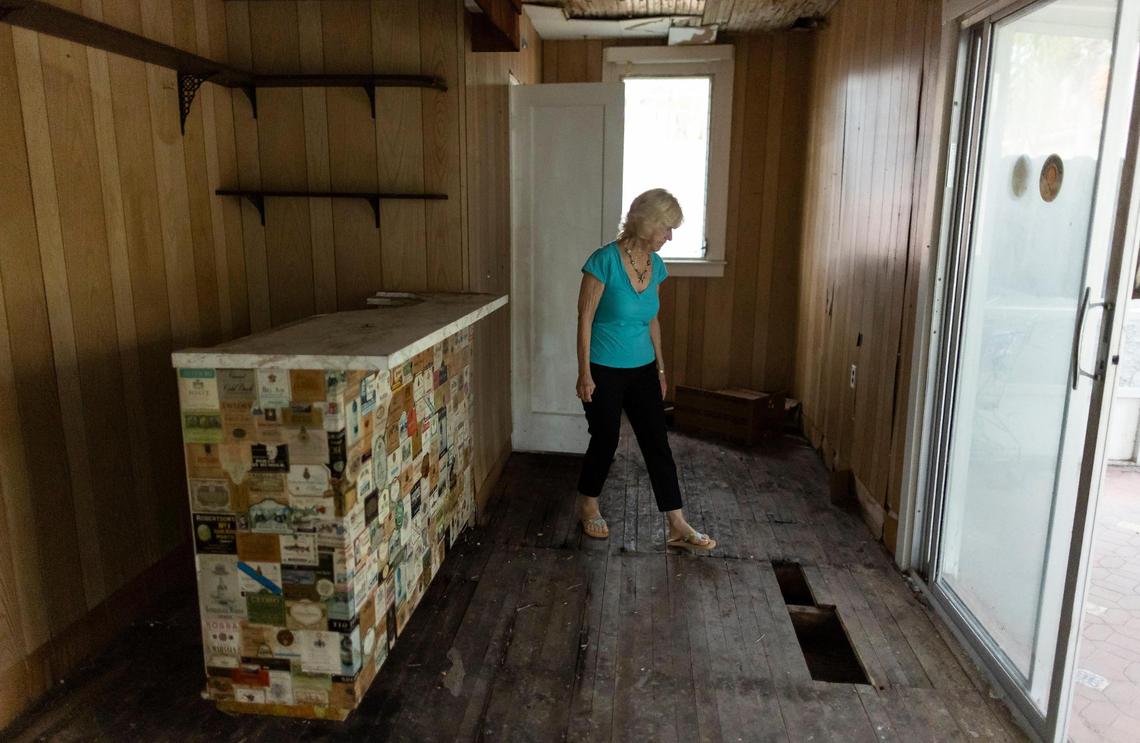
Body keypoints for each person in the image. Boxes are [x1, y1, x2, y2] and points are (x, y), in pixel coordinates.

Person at [574, 188, 716, 553]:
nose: (670, 237)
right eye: (667, 228)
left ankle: (676, 523)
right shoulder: (603, 261)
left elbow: (652, 318)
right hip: (604, 368)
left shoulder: (657, 267)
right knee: (605, 438)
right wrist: (584, 372)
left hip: (643, 369)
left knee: (657, 441)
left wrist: (662, 367)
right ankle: (588, 502)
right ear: (647, 223)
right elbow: (585, 319)